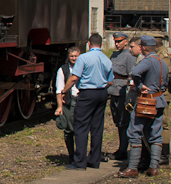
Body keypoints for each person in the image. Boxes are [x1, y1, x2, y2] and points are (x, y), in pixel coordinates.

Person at [116, 35, 170, 178]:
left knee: (135, 132)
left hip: (146, 102)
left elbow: (135, 72)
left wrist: (139, 86)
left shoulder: (148, 61)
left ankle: (133, 167)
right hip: (159, 100)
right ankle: (153, 167)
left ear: (144, 47)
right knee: (156, 134)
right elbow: (166, 82)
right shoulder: (162, 62)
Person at [60, 33, 113, 170]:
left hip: (87, 93)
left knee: (81, 127)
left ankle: (80, 162)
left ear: (89, 44)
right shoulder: (107, 59)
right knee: (97, 127)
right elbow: (111, 80)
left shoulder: (83, 58)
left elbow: (74, 78)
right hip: (102, 92)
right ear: (101, 44)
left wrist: (64, 91)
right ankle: (94, 161)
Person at [108, 32, 137, 160]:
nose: (117, 44)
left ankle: (123, 149)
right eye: (116, 41)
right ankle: (121, 147)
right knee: (117, 121)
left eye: (120, 41)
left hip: (122, 91)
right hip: (113, 90)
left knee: (123, 121)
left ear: (126, 41)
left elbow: (131, 75)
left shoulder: (129, 56)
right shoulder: (114, 55)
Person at [54, 47, 81, 161]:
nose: (74, 58)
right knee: (69, 129)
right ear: (68, 57)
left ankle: (80, 154)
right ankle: (71, 155)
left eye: (76, 56)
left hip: (81, 100)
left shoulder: (84, 68)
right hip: (69, 101)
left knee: (80, 129)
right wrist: (59, 106)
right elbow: (59, 89)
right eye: (72, 56)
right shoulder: (63, 70)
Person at [155, 36, 171, 165]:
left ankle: (164, 154)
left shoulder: (163, 55)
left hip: (163, 94)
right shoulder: (157, 54)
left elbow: (164, 75)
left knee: (163, 124)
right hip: (157, 94)